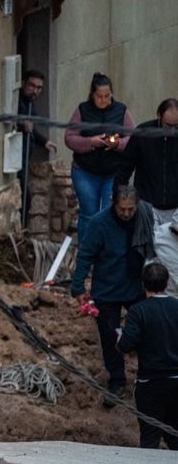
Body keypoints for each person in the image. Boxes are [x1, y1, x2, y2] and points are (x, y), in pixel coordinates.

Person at [71, 184, 154, 406]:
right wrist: (78, 286)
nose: (126, 214)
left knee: (146, 333)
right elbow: (85, 255)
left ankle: (147, 378)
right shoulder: (99, 223)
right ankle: (117, 381)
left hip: (136, 286)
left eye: (130, 209)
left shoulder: (144, 218)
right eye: (122, 209)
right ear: (113, 205)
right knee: (110, 338)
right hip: (106, 289)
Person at [64, 72, 135, 238]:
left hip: (113, 172)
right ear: (92, 95)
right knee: (89, 214)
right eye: (99, 96)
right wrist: (90, 142)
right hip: (85, 171)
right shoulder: (82, 110)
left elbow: (133, 137)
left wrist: (118, 144)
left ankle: (106, 255)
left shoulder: (121, 110)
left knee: (108, 213)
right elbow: (69, 138)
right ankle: (87, 255)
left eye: (107, 96)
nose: (104, 100)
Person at [117, 263, 178, 450]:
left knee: (150, 438)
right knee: (176, 436)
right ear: (167, 283)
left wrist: (119, 337)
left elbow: (125, 345)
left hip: (150, 383)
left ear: (143, 284)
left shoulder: (138, 311)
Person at [119, 98, 178, 226]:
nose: (173, 131)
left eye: (176, 126)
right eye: (168, 125)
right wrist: (119, 195)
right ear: (159, 117)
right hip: (147, 205)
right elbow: (125, 166)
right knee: (146, 244)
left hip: (176, 209)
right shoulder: (143, 134)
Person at [16, 69, 57, 226]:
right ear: (23, 84)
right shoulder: (18, 101)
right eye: (32, 85)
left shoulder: (30, 103)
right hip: (16, 159)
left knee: (26, 199)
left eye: (39, 88)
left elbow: (31, 128)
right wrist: (21, 123)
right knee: (24, 198)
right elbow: (12, 120)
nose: (35, 90)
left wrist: (43, 141)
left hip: (24, 159)